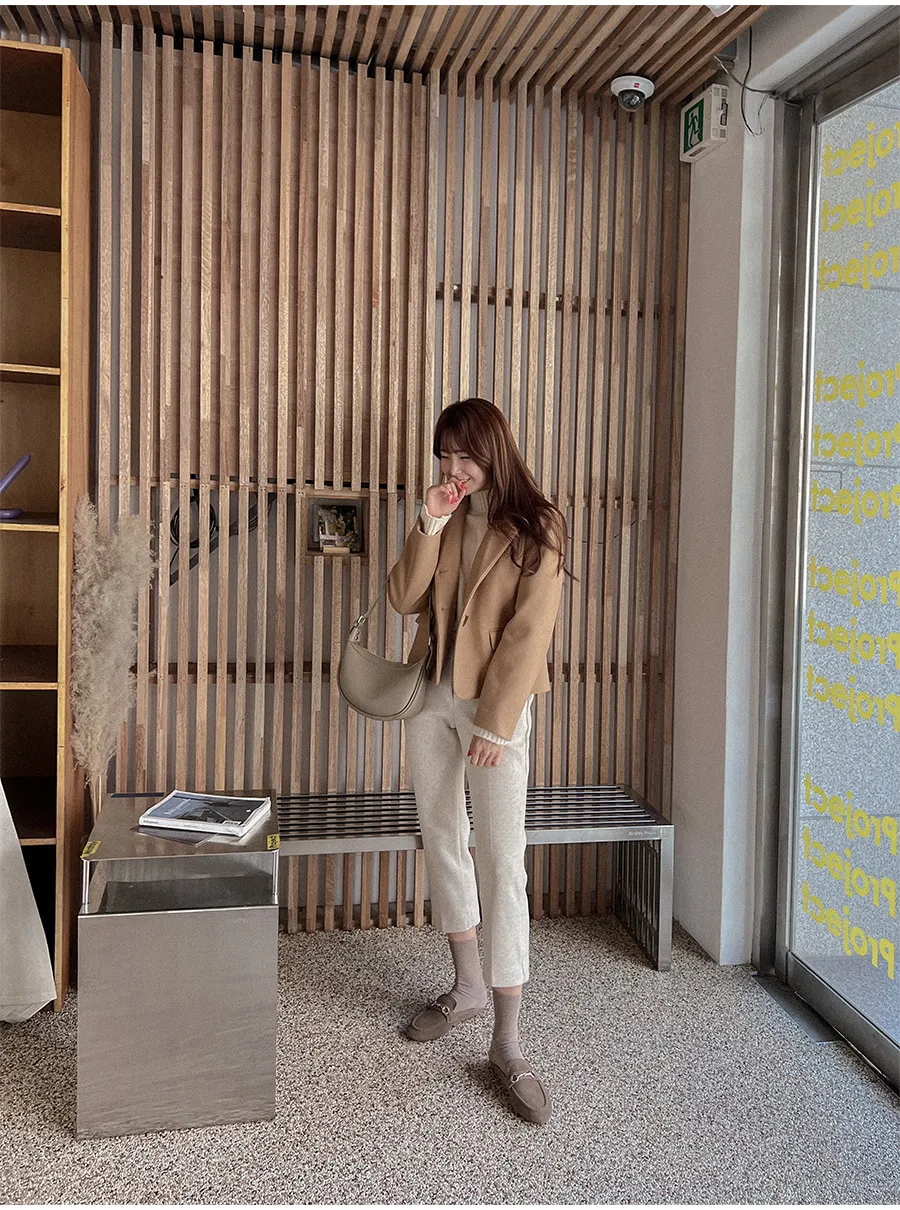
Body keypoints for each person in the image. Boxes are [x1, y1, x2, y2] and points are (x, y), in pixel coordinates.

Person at [387, 397, 571, 1125]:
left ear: (495, 451)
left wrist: (496, 722)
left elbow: (529, 634)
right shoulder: (445, 510)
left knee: (501, 859)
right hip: (431, 696)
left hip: (495, 707)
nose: (453, 468)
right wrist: (429, 520)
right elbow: (403, 598)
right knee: (441, 837)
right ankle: (466, 987)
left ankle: (509, 1039)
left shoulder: (538, 524)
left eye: (465, 454)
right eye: (444, 454)